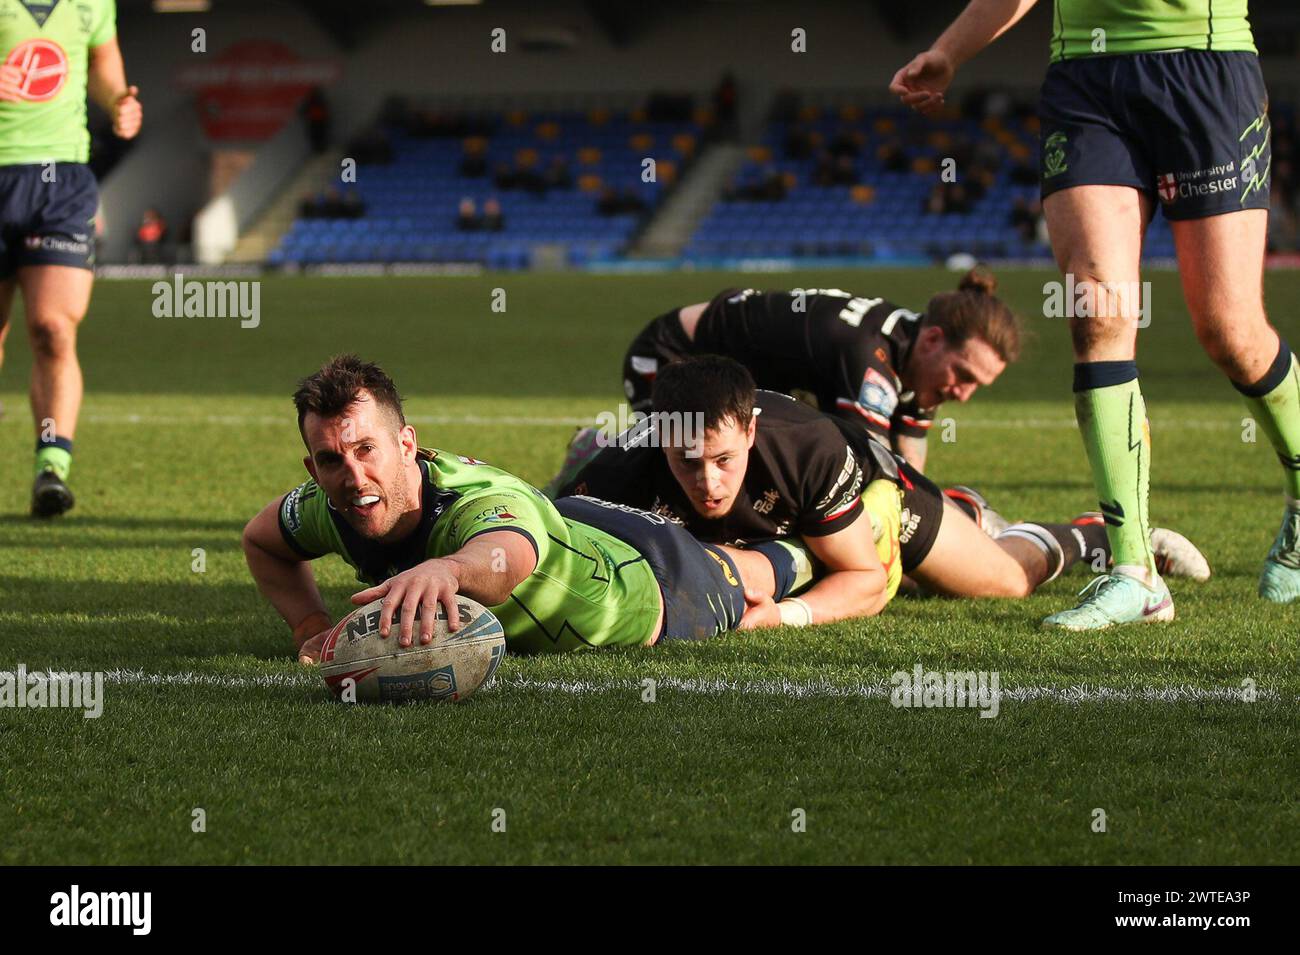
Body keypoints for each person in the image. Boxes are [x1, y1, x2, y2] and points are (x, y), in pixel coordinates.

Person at [890, 0, 1300, 623]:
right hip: (1085, 76)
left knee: (1230, 331)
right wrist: (949, 50)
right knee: (1097, 313)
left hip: (1204, 64)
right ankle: (1135, 571)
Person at [241, 356, 800, 661]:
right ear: (313, 470)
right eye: (332, 460)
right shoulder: (328, 502)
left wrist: (449, 569)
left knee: (750, 571)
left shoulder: (478, 503)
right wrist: (310, 626)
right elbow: (261, 541)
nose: (354, 476)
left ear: (406, 445)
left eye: (367, 450)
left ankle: (811, 551)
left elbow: (507, 559)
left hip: (651, 584)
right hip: (573, 523)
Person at [553, 357, 1210, 608]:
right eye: (686, 462)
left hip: (870, 488)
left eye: (723, 459)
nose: (706, 480)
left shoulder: (806, 449)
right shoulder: (620, 472)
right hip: (785, 526)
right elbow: (553, 542)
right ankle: (970, 508)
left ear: (750, 431)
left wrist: (786, 617)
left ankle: (1095, 535)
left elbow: (863, 582)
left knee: (1004, 582)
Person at [619, 270, 1020, 473]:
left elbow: (908, 465)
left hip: (738, 377)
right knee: (704, 475)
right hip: (669, 356)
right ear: (933, 340)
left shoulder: (918, 355)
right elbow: (871, 466)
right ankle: (615, 450)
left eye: (977, 386)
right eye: (963, 376)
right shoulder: (868, 352)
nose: (963, 394)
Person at [0, 0, 141, 517]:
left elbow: (104, 68)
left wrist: (116, 102)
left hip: (62, 181)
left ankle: (51, 468)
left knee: (53, 328)